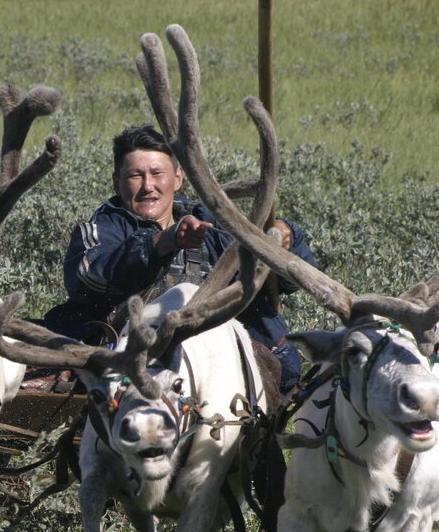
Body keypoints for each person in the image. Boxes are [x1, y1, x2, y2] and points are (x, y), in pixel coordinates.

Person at [41, 125, 316, 392]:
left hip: (222, 364)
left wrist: (285, 240)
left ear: (178, 178)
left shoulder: (217, 226)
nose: (148, 186)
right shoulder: (101, 229)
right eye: (135, 175)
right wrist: (161, 243)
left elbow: (285, 282)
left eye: (157, 173)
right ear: (117, 181)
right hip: (129, 365)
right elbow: (90, 278)